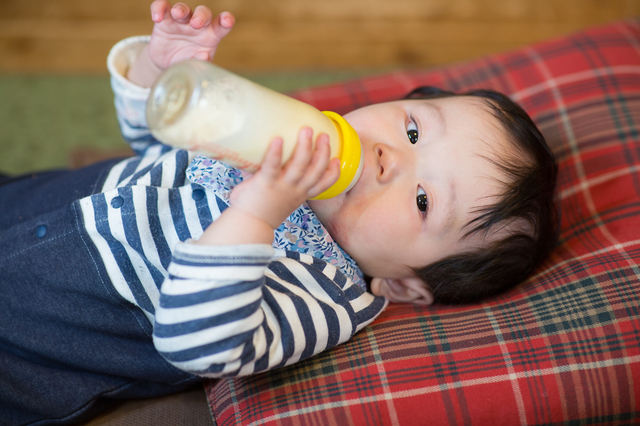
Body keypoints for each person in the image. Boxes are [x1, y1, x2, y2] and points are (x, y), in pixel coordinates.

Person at [0, 1, 558, 424]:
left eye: (422, 201)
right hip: (32, 199)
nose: (390, 158)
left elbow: (197, 342)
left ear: (404, 286)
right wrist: (159, 67)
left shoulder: (328, 297)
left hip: (31, 342)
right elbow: (154, 141)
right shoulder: (287, 136)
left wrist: (258, 212)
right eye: (412, 129)